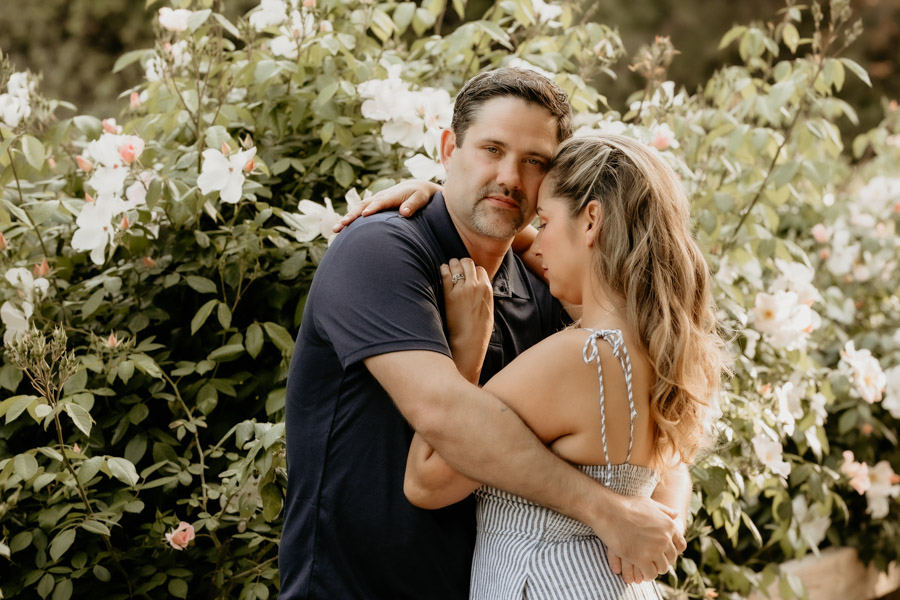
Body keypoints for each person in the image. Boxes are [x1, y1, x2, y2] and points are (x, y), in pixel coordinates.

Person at [279, 68, 688, 600]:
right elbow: (445, 413)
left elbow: (650, 397)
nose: (510, 177)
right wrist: (608, 511)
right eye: (491, 149)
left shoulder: (546, 285)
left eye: (534, 161)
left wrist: (660, 524)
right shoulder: (379, 252)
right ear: (449, 149)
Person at [401, 133, 726, 598]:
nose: (537, 245)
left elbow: (426, 479)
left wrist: (466, 352)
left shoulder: (578, 359)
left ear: (591, 220)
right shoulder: (659, 351)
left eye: (545, 221)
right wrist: (449, 204)